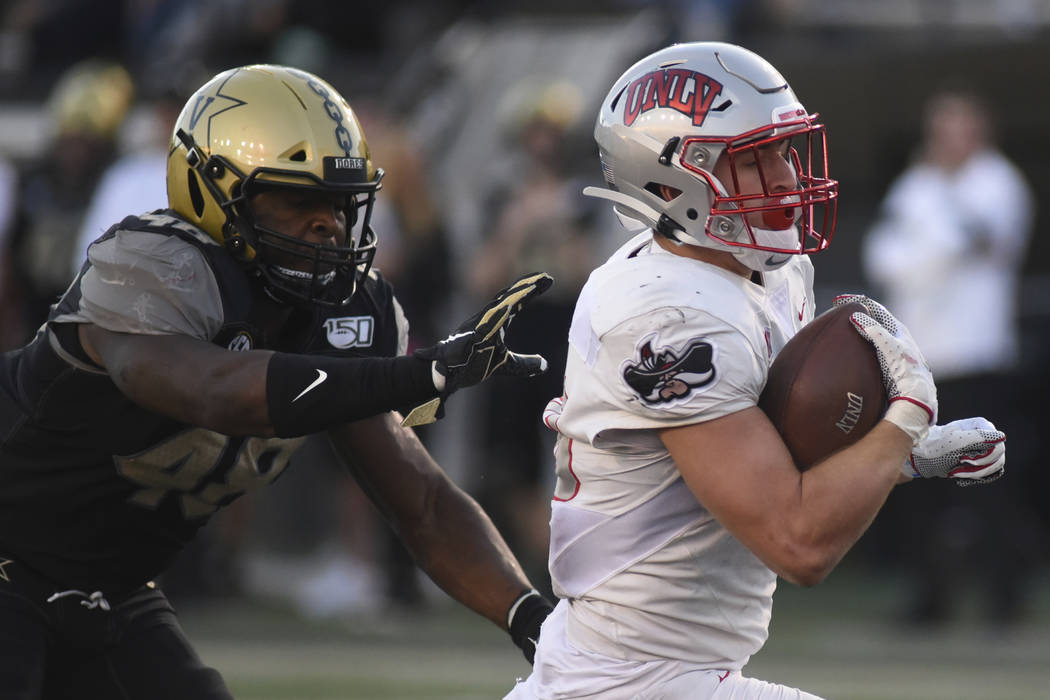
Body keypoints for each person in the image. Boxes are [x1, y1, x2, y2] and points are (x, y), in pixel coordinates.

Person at [0, 64, 555, 699]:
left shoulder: (347, 309)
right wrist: (419, 373)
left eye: (341, 204)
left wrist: (534, 620)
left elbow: (422, 500)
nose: (330, 225)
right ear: (211, 189)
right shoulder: (154, 264)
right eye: (299, 200)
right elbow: (214, 389)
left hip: (110, 586)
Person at [506, 42, 1006, 700]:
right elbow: (796, 541)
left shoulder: (771, 266)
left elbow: (779, 452)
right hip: (623, 681)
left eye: (784, 149)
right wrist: (904, 418)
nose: (787, 176)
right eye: (754, 158)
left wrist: (902, 458)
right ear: (674, 179)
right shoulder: (667, 314)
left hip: (682, 671)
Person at [862, 88, 1035, 625]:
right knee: (915, 483)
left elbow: (966, 245)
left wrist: (925, 251)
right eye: (941, 128)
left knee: (987, 481)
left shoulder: (998, 183)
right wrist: (927, 253)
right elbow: (884, 257)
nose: (948, 140)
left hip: (977, 356)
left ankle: (1005, 599)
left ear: (980, 131)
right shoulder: (918, 184)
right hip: (921, 361)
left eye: (959, 128)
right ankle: (928, 601)